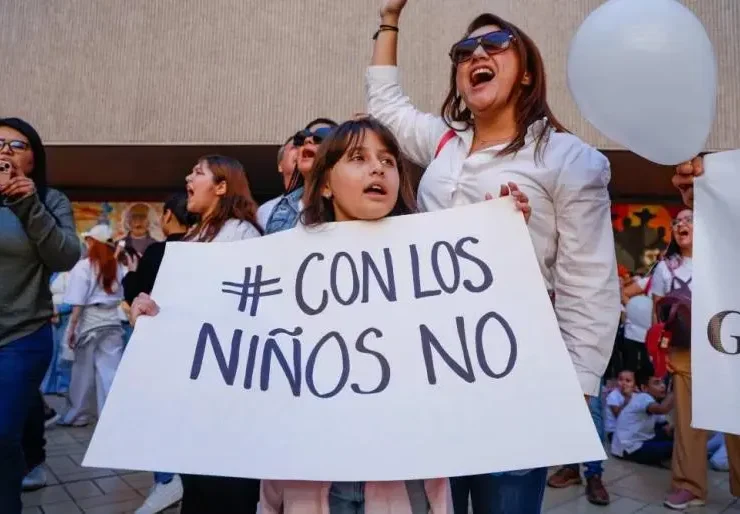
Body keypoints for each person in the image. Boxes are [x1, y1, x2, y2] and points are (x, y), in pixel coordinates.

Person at [367, 1, 620, 509]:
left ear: (526, 73)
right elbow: (385, 106)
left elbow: (587, 281)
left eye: (495, 44)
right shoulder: (444, 143)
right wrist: (389, 19)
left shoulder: (569, 159)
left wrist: (577, 387)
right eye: (464, 51)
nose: (476, 53)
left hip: (518, 375)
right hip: (431, 367)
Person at [259, 116, 530, 514]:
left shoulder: (433, 266)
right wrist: (161, 321)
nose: (377, 168)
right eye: (358, 158)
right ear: (327, 183)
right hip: (311, 478)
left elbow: (481, 338)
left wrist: (498, 251)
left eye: (387, 160)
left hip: (404, 482)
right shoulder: (283, 262)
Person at [130, 155, 262, 514]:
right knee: (199, 488)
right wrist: (153, 311)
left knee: (224, 492)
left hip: (223, 395)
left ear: (221, 186)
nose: (188, 177)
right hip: (198, 393)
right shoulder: (198, 235)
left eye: (198, 172)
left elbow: (231, 309)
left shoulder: (239, 233)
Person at [0, 117, 81, 513]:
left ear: (34, 159)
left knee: (1, 435)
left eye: (17, 146)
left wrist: (28, 204)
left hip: (20, 336)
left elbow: (65, 256)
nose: (5, 151)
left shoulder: (49, 200)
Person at [121, 192, 194, 514]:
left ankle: (167, 480)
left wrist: (133, 272)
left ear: (166, 217)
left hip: (162, 347)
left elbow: (134, 289)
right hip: (195, 346)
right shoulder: (207, 248)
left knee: (158, 413)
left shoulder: (158, 251)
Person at [59, 224, 127, 427]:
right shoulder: (118, 267)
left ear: (92, 242)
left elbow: (78, 301)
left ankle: (77, 414)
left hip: (89, 322)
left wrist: (71, 328)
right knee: (110, 371)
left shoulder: (84, 266)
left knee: (82, 372)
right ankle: (110, 417)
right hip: (112, 321)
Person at [263, 118, 338, 234]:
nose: (308, 140)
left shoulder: (350, 203)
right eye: (301, 138)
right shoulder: (282, 208)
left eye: (321, 136)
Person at [611, 368, 674, 466]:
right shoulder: (643, 397)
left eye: (662, 382)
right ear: (644, 388)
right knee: (674, 447)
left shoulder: (652, 401)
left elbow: (665, 425)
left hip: (639, 440)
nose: (663, 386)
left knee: (672, 436)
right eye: (657, 383)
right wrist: (675, 390)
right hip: (628, 448)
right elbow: (663, 409)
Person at [256, 137, 298, 229]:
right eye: (295, 146)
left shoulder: (324, 205)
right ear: (280, 165)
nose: (301, 151)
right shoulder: (265, 211)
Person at [604, 369, 634, 443]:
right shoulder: (613, 396)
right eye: (620, 379)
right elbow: (619, 416)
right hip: (614, 432)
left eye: (628, 381)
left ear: (634, 384)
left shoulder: (635, 394)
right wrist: (626, 399)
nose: (623, 383)